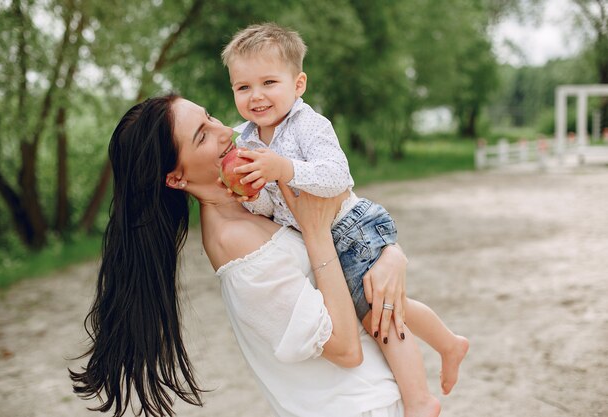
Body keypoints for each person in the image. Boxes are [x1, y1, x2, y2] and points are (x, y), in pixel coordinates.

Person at [70, 93, 414, 417]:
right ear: (175, 178)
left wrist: (390, 256)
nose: (224, 132)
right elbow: (345, 349)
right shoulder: (235, 243)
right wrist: (316, 235)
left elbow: (346, 223)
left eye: (209, 117)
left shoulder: (252, 198)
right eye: (202, 136)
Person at [220, 23, 469, 417]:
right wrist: (250, 196)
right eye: (243, 87)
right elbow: (274, 206)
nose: (257, 96)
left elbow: (336, 176)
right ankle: (449, 343)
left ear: (298, 83)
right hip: (321, 235)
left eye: (269, 82)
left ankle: (420, 399)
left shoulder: (309, 125)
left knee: (378, 314)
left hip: (350, 226)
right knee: (386, 305)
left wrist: (284, 167)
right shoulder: (243, 141)